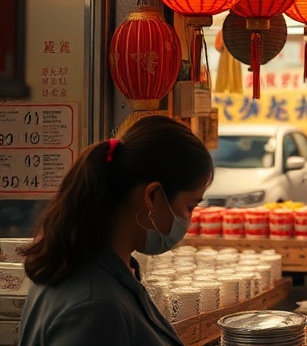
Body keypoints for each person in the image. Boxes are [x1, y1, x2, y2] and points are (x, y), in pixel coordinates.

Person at [19, 116, 213, 346]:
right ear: (152, 196)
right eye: (190, 206)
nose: (188, 220)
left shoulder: (92, 266)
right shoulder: (94, 307)